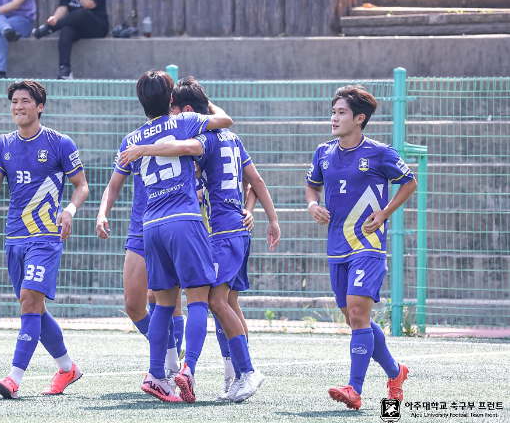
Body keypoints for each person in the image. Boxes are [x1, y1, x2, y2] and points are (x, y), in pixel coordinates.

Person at [118, 77, 281, 403]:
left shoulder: (203, 139)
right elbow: (254, 180)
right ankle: (230, 375)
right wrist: (263, 215)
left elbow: (188, 147)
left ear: (186, 111)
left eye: (177, 112)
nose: (173, 120)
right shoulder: (232, 138)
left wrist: (144, 149)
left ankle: (241, 371)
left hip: (221, 232)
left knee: (215, 302)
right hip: (227, 231)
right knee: (224, 302)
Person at [115, 70, 233, 404]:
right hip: (183, 218)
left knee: (163, 303)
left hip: (150, 225)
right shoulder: (183, 121)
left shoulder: (134, 138)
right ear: (171, 101)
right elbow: (225, 121)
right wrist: (200, 98)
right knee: (198, 298)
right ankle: (187, 369)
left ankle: (156, 375)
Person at [0, 80, 89, 399]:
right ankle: (67, 368)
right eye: (14, 102)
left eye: (25, 101)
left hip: (46, 238)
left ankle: (13, 379)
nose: (18, 106)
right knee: (32, 306)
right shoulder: (3, 144)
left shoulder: (60, 143)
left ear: (40, 106)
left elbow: (82, 186)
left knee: (30, 303)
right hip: (15, 239)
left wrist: (70, 211)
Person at [305, 85, 416, 410]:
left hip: (367, 245)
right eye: (333, 111)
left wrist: (384, 213)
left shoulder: (380, 153)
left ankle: (354, 388)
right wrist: (312, 207)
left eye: (341, 112)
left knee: (357, 311)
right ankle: (396, 372)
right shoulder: (323, 152)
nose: (334, 118)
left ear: (360, 118)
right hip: (336, 248)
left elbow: (410, 182)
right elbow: (312, 188)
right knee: (358, 320)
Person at [96, 161, 185, 380]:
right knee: (133, 305)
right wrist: (102, 213)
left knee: (165, 299)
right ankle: (166, 350)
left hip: (170, 225)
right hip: (140, 228)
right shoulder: (133, 140)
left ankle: (172, 368)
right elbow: (114, 184)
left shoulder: (179, 131)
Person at [33, 0, 109, 80]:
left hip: (97, 26)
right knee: (66, 30)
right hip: (78, 27)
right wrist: (54, 19)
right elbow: (63, 7)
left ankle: (48, 29)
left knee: (82, 13)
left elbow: (88, 5)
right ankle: (65, 69)